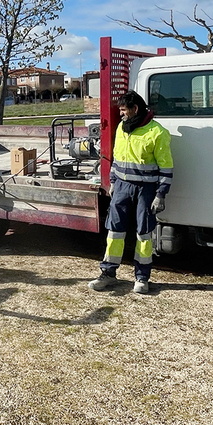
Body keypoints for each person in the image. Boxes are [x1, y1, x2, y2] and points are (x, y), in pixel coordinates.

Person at [89, 91, 173, 294]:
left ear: (135, 109)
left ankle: (142, 277)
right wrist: (113, 182)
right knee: (114, 230)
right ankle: (108, 273)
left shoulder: (158, 133)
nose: (121, 114)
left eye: (124, 110)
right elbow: (117, 159)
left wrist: (161, 194)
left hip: (146, 189)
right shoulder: (121, 128)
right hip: (122, 188)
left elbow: (166, 167)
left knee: (144, 232)